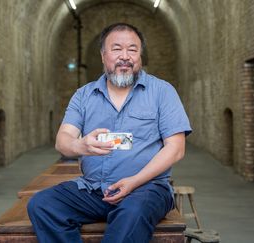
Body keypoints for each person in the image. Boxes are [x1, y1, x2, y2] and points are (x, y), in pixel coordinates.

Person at [27, 22, 192, 243]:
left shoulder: (162, 92)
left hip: (146, 189)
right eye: (116, 49)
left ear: (140, 56)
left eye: (132, 49)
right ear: (104, 56)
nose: (125, 56)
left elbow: (176, 149)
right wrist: (80, 146)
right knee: (42, 205)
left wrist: (133, 182)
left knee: (132, 212)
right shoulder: (83, 96)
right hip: (94, 190)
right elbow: (62, 140)